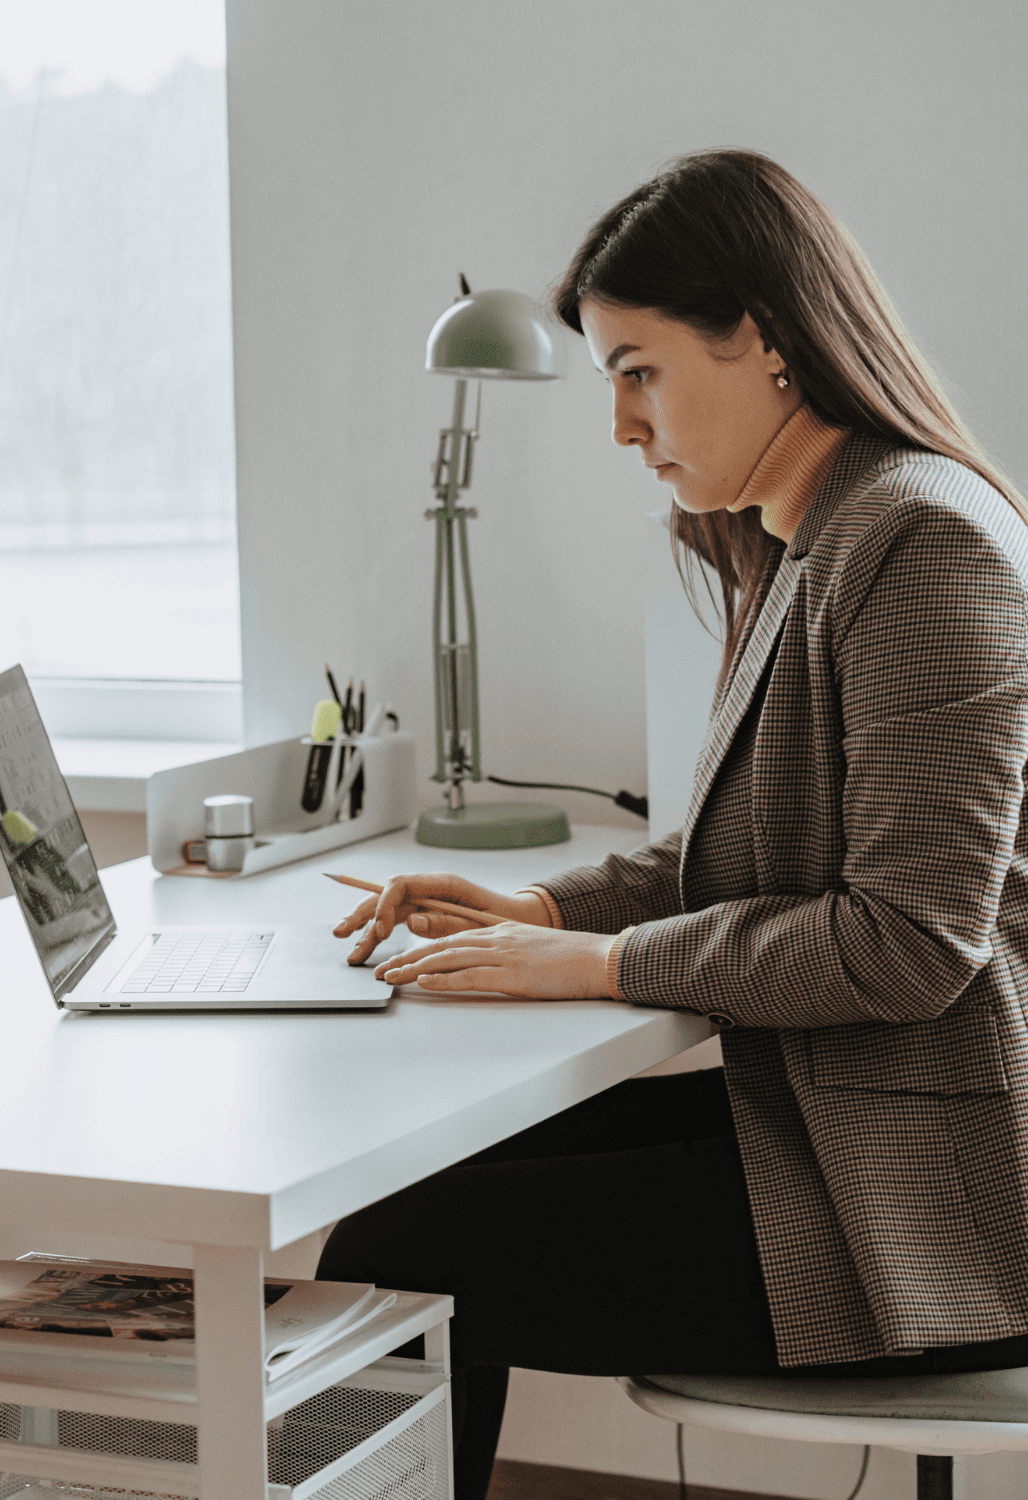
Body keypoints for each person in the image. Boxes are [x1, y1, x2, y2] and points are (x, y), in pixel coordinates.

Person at [320, 148, 1028, 1500]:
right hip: (844, 1126)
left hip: (947, 1203)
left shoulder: (923, 541)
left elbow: (909, 943)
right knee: (401, 1212)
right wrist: (546, 912)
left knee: (402, 1262)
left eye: (638, 371)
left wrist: (603, 965)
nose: (621, 425)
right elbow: (742, 858)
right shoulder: (805, 534)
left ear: (763, 339)